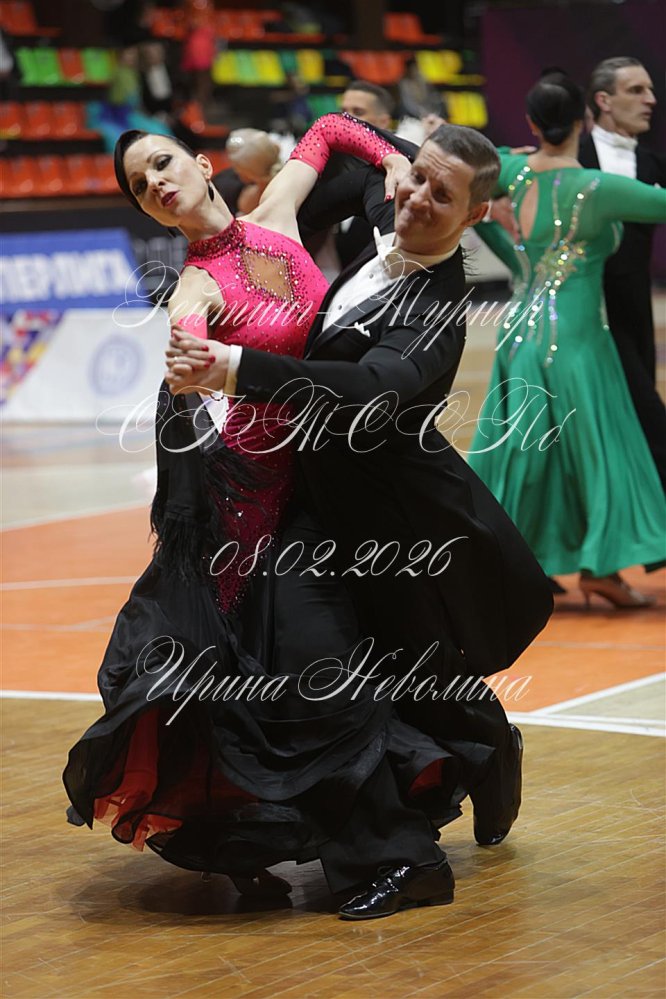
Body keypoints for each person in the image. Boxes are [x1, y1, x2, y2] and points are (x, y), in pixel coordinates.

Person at [165, 116, 554, 918]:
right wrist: (390, 155)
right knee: (357, 666)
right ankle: (482, 749)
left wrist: (235, 367)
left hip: (391, 525)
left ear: (475, 215)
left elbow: (368, 387)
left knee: (358, 666)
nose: (417, 198)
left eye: (442, 194)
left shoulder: (438, 308)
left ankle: (407, 855)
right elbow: (336, 129)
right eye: (416, 177)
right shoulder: (394, 205)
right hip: (315, 501)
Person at [63, 115, 441, 908]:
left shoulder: (278, 213)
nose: (155, 182)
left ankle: (339, 839)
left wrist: (394, 161)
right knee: (283, 676)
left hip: (326, 483)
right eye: (140, 185)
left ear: (202, 165)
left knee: (319, 665)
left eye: (162, 163)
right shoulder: (193, 288)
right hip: (252, 513)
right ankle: (370, 854)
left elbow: (331, 128)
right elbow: (188, 370)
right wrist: (190, 367)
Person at [466, 73, 666, 607]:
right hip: (576, 337)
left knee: (528, 454)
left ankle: (507, 565)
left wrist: (498, 175)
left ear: (531, 124)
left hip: (517, 332)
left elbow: (465, 165)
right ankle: (601, 569)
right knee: (599, 452)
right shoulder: (597, 187)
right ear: (584, 120)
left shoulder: (512, 172)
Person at [578, 57, 666, 490]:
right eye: (636, 90)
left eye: (650, 90)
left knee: (637, 411)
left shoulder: (653, 165)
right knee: (647, 418)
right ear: (604, 100)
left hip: (634, 312)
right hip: (583, 311)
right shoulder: (572, 159)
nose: (651, 100)